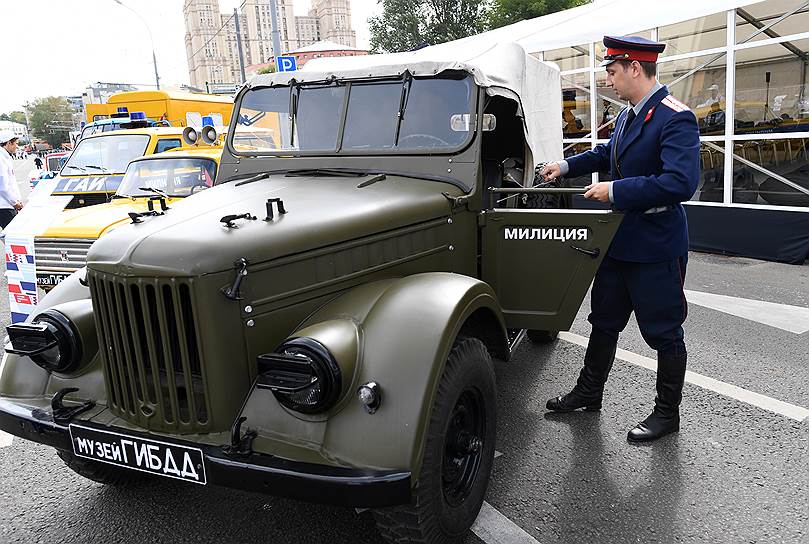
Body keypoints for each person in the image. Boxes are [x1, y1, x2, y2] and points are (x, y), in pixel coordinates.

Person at [539, 35, 700, 442]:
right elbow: (608, 153)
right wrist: (564, 164)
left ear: (634, 68)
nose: (607, 79)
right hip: (620, 240)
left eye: (612, 71)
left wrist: (616, 191)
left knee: (664, 332)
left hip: (656, 245)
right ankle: (589, 393)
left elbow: (681, 182)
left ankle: (667, 414)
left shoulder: (675, 117)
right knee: (603, 322)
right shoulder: (631, 115)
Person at [0, 130, 25, 229]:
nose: (17, 146)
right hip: (5, 206)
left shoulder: (5, 157)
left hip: (7, 205)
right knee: (14, 235)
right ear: (9, 143)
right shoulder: (1, 159)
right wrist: (15, 202)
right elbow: (2, 186)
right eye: (16, 144)